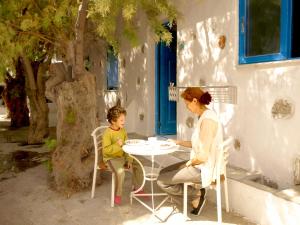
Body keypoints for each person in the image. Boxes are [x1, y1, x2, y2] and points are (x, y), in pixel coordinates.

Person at [156, 87, 223, 215]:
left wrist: (190, 163)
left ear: (194, 101)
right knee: (164, 172)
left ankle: (196, 194)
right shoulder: (204, 115)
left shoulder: (208, 121)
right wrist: (178, 142)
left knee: (162, 181)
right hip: (199, 164)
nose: (187, 107)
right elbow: (198, 144)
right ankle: (190, 196)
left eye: (187, 104)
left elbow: (203, 156)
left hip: (202, 168)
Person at [102, 105, 144, 205]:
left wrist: (129, 159)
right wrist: (117, 145)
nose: (123, 122)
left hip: (122, 157)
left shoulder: (123, 131)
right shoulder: (107, 133)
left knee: (139, 165)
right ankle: (118, 194)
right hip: (111, 159)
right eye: (121, 120)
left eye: (124, 119)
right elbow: (106, 150)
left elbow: (127, 146)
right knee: (120, 172)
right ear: (113, 121)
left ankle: (137, 188)